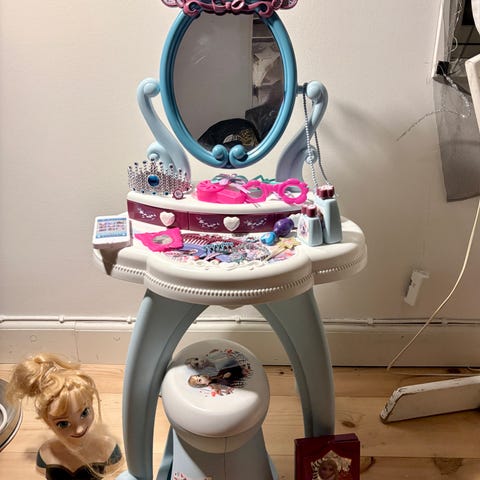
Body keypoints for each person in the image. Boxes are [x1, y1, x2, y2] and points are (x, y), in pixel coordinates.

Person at [6, 353, 122, 479]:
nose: (79, 429)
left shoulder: (108, 449)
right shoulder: (45, 455)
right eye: (63, 423)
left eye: (84, 413)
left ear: (92, 403)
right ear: (47, 421)